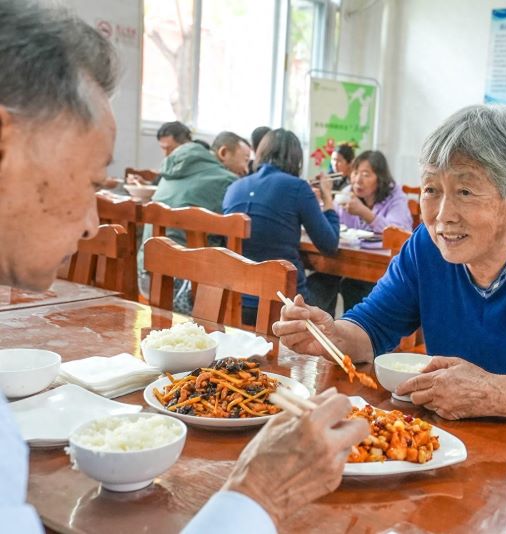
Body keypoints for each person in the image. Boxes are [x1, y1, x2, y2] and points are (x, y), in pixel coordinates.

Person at [0, 1, 367, 532]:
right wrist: (259, 493)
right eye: (91, 181)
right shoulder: (292, 187)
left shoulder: (238, 185)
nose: (90, 223)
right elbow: (328, 245)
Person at [275, 105, 506, 532]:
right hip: (459, 448)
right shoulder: (426, 247)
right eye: (431, 189)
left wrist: (493, 394)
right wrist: (332, 335)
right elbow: (372, 327)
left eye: (465, 192)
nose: (442, 215)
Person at [222, 128, 340, 326]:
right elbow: (329, 244)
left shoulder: (234, 187)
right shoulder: (298, 187)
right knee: (331, 277)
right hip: (283, 306)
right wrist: (327, 198)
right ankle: (318, 342)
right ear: (296, 159)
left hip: (236, 301)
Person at [137, 131, 242, 309]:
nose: (246, 168)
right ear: (224, 153)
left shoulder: (170, 171)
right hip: (182, 285)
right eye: (245, 159)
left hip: (146, 271)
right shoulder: (226, 180)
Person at [307, 150, 413, 316]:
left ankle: (358, 329)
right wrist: (321, 202)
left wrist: (365, 213)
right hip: (349, 259)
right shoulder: (347, 193)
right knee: (320, 280)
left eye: (366, 174)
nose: (358, 180)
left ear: (380, 178)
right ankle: (324, 328)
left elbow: (399, 233)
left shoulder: (395, 197)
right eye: (355, 173)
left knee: (353, 286)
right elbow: (332, 224)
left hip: (386, 268)